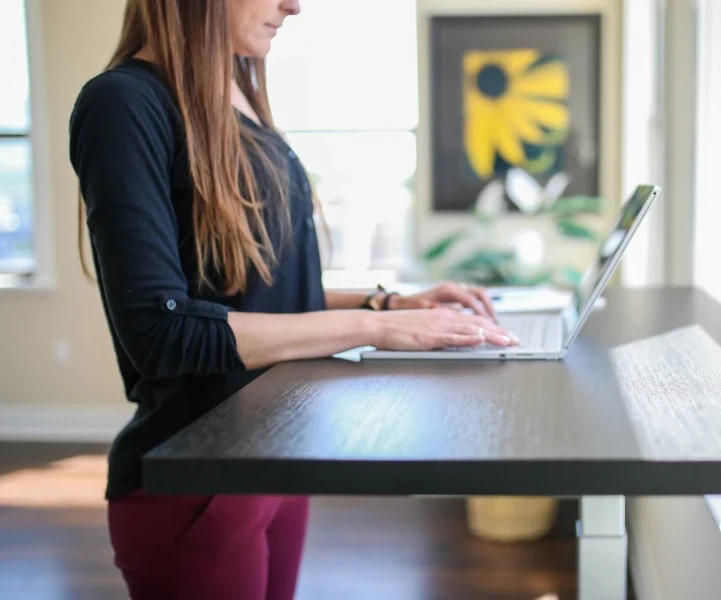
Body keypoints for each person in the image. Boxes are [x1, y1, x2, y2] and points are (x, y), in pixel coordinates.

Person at [68, 0, 518, 598]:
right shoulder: (123, 104)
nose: (294, 5)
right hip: (196, 480)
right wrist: (371, 330)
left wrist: (385, 305)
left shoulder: (235, 92)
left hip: (273, 454)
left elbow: (254, 292)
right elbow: (163, 332)